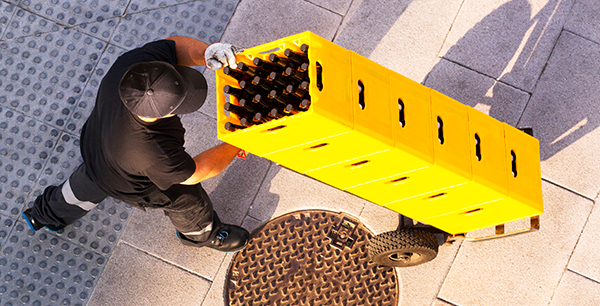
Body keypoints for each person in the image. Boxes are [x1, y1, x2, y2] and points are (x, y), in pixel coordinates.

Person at [22, 37, 250, 252]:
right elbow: (195, 172)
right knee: (187, 200)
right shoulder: (153, 152)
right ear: (161, 114)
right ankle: (201, 234)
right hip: (130, 182)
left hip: (96, 145)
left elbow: (170, 47)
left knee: (89, 180)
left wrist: (206, 52)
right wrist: (235, 144)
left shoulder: (132, 67)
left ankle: (44, 215)